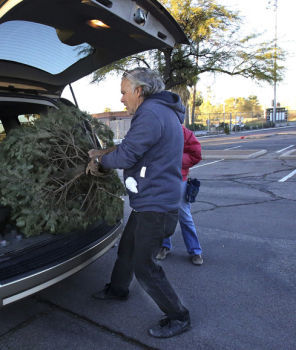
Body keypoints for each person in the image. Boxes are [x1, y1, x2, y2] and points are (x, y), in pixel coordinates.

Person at [87, 67, 191, 338]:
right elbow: (136, 149)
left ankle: (178, 316)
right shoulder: (162, 112)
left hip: (156, 206)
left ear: (139, 91)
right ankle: (118, 289)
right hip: (153, 200)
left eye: (124, 92)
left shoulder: (150, 114)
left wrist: (100, 160)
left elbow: (127, 156)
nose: (121, 99)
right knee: (128, 248)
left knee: (144, 265)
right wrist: (106, 151)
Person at [155, 125, 204, 265]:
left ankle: (195, 251)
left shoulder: (183, 132)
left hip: (179, 181)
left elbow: (196, 154)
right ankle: (164, 246)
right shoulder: (156, 129)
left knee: (184, 216)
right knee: (163, 215)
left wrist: (175, 160)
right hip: (161, 180)